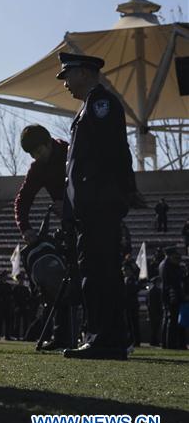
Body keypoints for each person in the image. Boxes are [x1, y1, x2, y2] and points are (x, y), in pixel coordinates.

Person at [56, 52, 136, 361]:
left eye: (68, 75)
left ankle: (104, 338)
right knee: (96, 270)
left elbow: (114, 152)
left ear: (86, 73)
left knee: (99, 271)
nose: (65, 83)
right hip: (91, 204)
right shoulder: (88, 108)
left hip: (99, 203)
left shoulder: (101, 105)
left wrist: (124, 190)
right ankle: (105, 336)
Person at [16, 124, 73, 350]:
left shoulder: (71, 153)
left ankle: (95, 333)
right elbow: (23, 199)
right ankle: (61, 337)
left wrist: (68, 204)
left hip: (90, 218)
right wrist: (25, 228)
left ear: (49, 143)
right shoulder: (38, 168)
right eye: (31, 155)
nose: (35, 158)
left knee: (88, 279)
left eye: (38, 152)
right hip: (68, 225)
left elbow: (88, 187)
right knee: (59, 282)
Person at [159, 247, 186, 350]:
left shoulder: (163, 264)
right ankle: (171, 344)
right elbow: (174, 282)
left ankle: (166, 343)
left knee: (167, 320)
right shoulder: (169, 266)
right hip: (171, 296)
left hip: (167, 295)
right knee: (172, 321)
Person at [0, 272, 13, 340]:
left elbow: (10, 294)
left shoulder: (8, 285)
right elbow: (1, 294)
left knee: (8, 321)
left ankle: (7, 335)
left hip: (7, 305)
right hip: (2, 305)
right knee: (0, 320)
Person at [145, 276, 162, 347]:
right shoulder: (157, 291)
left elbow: (147, 302)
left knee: (153, 327)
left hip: (151, 311)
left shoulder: (150, 291)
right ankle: (154, 341)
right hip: (156, 311)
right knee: (155, 327)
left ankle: (153, 341)